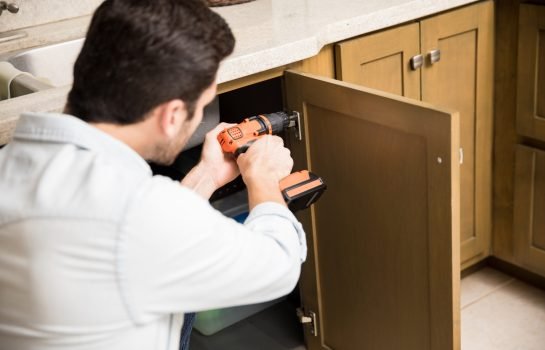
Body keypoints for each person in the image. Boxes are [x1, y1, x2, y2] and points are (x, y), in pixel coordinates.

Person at [0, 0, 307, 349]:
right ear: (172, 115)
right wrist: (263, 180)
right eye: (203, 104)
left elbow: (149, 235)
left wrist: (206, 174)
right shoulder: (138, 212)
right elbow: (278, 266)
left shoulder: (15, 163)